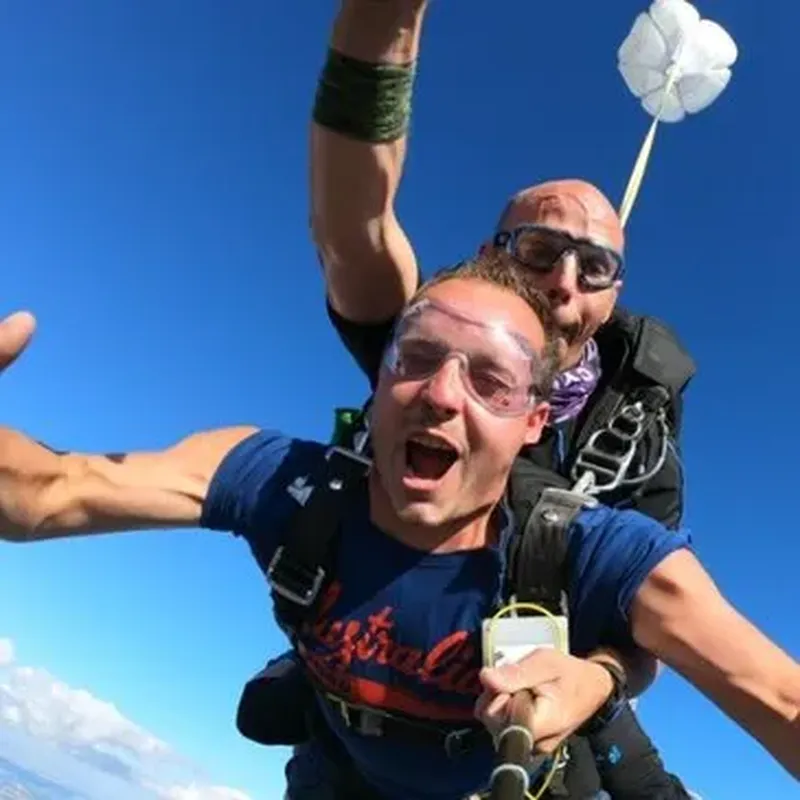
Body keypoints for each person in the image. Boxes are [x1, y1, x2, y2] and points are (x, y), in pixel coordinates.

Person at [0, 255, 798, 800]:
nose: (442, 395)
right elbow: (48, 493)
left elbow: (781, 699)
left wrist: (598, 676)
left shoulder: (589, 551)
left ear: (532, 422)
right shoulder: (290, 486)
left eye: (491, 380)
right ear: (378, 383)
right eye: (416, 359)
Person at [291, 1, 698, 796]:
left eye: (595, 268)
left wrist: (600, 678)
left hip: (541, 700)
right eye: (540, 250)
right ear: (491, 255)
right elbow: (354, 230)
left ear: (615, 297)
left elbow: (649, 623)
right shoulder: (429, 342)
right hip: (375, 691)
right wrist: (378, 33)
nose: (563, 282)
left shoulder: (639, 434)